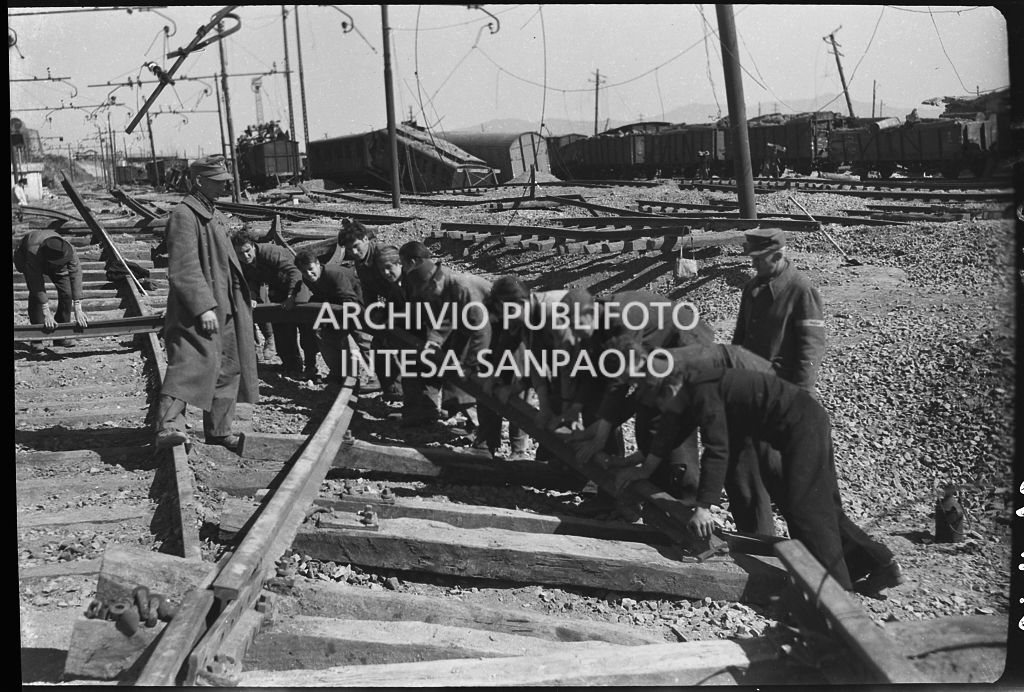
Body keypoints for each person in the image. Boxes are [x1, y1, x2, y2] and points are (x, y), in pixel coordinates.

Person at [612, 367, 903, 594]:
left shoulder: (701, 391)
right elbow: (670, 432)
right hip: (788, 422)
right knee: (821, 503)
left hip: (799, 424)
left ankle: (837, 594)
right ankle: (879, 562)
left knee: (807, 508)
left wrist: (704, 506)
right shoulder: (685, 390)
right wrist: (642, 465)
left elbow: (717, 451)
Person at [559, 287, 715, 507]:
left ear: (587, 314)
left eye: (575, 326)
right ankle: (617, 493)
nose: (573, 334)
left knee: (669, 421)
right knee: (640, 416)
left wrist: (599, 437)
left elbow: (618, 381)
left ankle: (683, 502)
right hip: (655, 352)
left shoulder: (622, 318)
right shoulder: (592, 324)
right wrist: (576, 412)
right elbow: (593, 375)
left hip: (687, 346)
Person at [155, 156, 258, 452]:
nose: (225, 185)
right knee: (189, 364)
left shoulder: (210, 212)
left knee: (227, 367)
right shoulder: (184, 215)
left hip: (225, 305)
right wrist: (203, 306)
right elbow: (184, 267)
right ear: (199, 181)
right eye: (218, 180)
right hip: (199, 309)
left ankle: (219, 429)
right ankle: (168, 426)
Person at [730, 227, 826, 535]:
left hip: (781, 398)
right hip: (751, 394)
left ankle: (816, 542)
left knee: (785, 475)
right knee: (742, 470)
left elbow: (810, 350)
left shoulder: (801, 290)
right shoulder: (753, 288)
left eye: (759, 259)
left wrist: (802, 401)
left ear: (778, 256)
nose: (753, 265)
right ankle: (757, 538)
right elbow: (740, 340)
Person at [399, 241, 492, 439]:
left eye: (426, 292)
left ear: (433, 284)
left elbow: (481, 330)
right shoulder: (444, 285)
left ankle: (481, 431)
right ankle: (473, 423)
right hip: (473, 329)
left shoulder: (462, 286)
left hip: (500, 329)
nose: (427, 297)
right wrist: (434, 341)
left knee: (476, 378)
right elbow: (446, 318)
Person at [229, 225, 318, 378]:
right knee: (281, 327)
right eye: (240, 253)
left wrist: (291, 296)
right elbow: (251, 281)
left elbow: (294, 272)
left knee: (306, 327)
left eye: (247, 251)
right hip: (278, 290)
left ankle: (311, 367)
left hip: (297, 286)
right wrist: (252, 297)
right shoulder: (243, 263)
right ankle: (291, 364)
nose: (245, 256)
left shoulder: (270, 252)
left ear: (253, 246)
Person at [293, 249, 364, 386]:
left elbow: (349, 300)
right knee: (323, 335)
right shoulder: (308, 280)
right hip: (335, 306)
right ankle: (337, 372)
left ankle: (370, 376)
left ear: (318, 263)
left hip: (358, 303)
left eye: (310, 269)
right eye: (304, 272)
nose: (308, 274)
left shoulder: (334, 274)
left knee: (361, 338)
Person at [14, 229, 89, 347]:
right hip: (27, 258)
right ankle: (37, 338)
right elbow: (36, 283)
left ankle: (61, 336)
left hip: (56, 262)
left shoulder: (67, 249)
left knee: (67, 293)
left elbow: (76, 273)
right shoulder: (32, 251)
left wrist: (78, 307)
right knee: (36, 295)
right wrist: (46, 312)